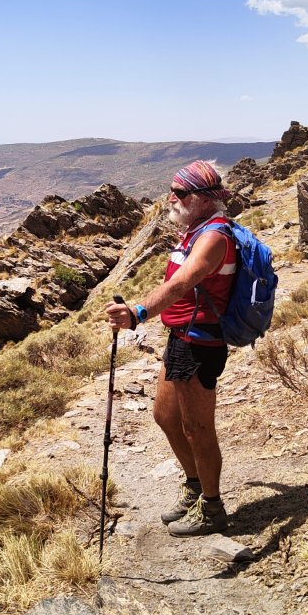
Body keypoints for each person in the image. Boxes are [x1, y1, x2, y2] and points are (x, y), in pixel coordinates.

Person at [106, 161, 236, 537]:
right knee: (165, 416)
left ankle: (211, 508)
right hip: (180, 337)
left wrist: (137, 314)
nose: (171, 198)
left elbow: (181, 284)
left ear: (203, 199)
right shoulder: (195, 230)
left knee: (197, 428)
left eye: (179, 193)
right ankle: (195, 487)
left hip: (200, 342)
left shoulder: (214, 237)